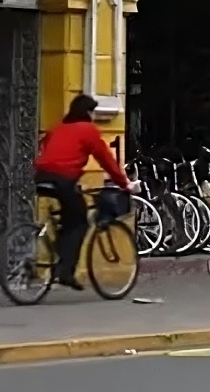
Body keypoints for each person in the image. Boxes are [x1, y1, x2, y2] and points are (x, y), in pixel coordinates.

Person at [33, 94, 130, 285]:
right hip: (64, 178)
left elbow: (46, 147)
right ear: (87, 112)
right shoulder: (88, 130)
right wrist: (124, 183)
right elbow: (105, 159)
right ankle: (66, 271)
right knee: (80, 222)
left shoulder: (58, 127)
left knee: (67, 216)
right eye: (92, 112)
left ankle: (58, 252)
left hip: (42, 175)